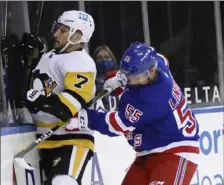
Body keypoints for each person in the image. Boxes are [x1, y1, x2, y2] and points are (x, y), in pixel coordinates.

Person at [73, 42, 200, 185]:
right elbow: (162, 58)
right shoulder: (156, 64)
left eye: (135, 76)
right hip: (147, 151)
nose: (131, 81)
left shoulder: (152, 98)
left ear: (151, 71)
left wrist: (85, 116)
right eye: (128, 75)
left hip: (175, 153)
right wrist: (121, 76)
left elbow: (116, 125)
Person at [22, 10, 96, 185]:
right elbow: (47, 88)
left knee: (63, 183)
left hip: (72, 140)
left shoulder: (81, 62)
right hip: (45, 139)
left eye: (63, 30)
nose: (55, 34)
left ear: (78, 35)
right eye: (57, 28)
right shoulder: (49, 57)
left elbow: (67, 107)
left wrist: (38, 99)